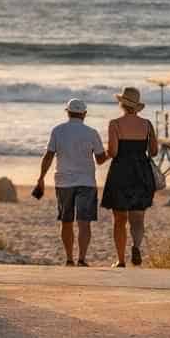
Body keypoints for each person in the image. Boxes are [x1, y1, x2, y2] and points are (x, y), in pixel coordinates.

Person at [33, 98, 108, 266]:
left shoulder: (58, 131)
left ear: (67, 112)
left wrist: (41, 178)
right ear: (85, 114)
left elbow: (49, 156)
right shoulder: (92, 132)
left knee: (66, 221)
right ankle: (81, 259)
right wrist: (111, 151)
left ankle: (69, 259)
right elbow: (101, 159)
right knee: (84, 222)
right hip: (87, 182)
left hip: (63, 182)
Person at [101, 85, 160, 268]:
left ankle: (120, 260)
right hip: (141, 172)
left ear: (122, 104)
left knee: (119, 219)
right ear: (137, 106)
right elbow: (154, 151)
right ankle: (136, 245)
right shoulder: (147, 124)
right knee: (138, 217)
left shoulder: (115, 124)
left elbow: (113, 151)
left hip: (121, 172)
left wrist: (102, 155)